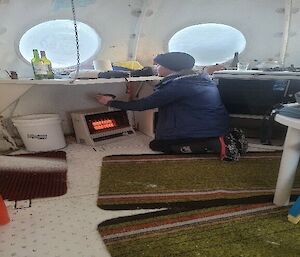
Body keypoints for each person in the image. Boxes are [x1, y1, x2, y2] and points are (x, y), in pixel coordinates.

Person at [96, 52, 245, 161]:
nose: (156, 67)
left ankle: (214, 144)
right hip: (214, 124)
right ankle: (225, 136)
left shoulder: (179, 86)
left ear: (170, 68)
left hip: (201, 129)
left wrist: (109, 102)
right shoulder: (199, 78)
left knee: (157, 146)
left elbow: (143, 105)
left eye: (159, 65)